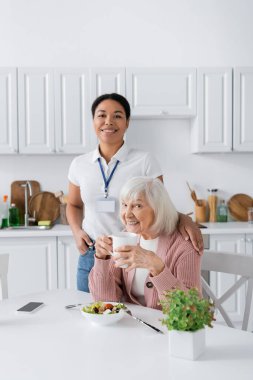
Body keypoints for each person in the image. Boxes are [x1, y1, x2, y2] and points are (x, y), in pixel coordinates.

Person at [66, 93, 203, 292]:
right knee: (92, 313)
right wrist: (76, 231)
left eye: (117, 116)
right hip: (95, 253)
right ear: (93, 120)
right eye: (102, 115)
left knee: (136, 313)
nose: (108, 122)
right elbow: (74, 204)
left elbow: (160, 205)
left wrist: (185, 219)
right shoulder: (79, 164)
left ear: (127, 122)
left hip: (133, 252)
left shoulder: (145, 160)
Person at [89, 177, 202, 309]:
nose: (127, 214)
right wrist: (102, 260)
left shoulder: (184, 245)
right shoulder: (126, 237)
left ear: (158, 209)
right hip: (132, 324)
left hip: (166, 327)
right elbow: (104, 302)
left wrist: (158, 269)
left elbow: (191, 310)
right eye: (125, 205)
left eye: (137, 206)